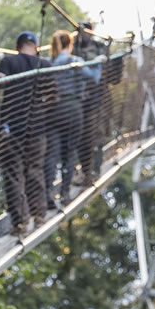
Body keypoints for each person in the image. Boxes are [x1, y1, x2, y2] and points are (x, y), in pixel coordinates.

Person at [0, 31, 56, 233]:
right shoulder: (45, 65)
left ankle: (21, 221)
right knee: (35, 171)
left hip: (12, 127)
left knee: (14, 174)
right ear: (36, 46)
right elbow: (53, 97)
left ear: (17, 46)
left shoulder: (9, 61)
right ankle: (39, 215)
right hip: (38, 128)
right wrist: (41, 111)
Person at [44, 30, 99, 204]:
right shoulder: (76, 61)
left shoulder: (47, 63)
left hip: (52, 111)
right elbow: (95, 78)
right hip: (73, 111)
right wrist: (98, 63)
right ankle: (65, 193)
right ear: (70, 44)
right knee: (69, 153)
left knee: (52, 154)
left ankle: (48, 193)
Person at [74, 23, 119, 185]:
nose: (83, 34)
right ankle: (85, 173)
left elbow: (114, 78)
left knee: (95, 138)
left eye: (86, 30)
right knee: (80, 140)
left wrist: (116, 57)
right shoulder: (74, 49)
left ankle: (94, 173)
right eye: (80, 30)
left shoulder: (101, 48)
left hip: (98, 101)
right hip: (79, 101)